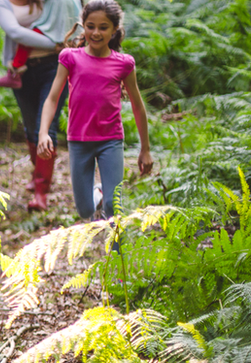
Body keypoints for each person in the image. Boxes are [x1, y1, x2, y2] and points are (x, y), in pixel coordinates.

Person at [37, 0, 153, 220]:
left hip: (111, 140)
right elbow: (52, 98)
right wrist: (43, 133)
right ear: (83, 26)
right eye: (90, 26)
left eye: (103, 27)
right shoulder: (70, 58)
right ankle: (97, 193)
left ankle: (116, 254)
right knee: (85, 210)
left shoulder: (124, 64)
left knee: (114, 205)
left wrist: (145, 149)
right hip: (79, 141)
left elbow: (138, 106)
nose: (96, 33)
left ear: (114, 30)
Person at [0, 0, 82, 211]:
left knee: (45, 126)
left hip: (56, 66)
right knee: (32, 127)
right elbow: (15, 32)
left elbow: (74, 14)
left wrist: (68, 46)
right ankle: (38, 172)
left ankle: (42, 192)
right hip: (22, 69)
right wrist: (57, 42)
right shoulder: (0, 2)